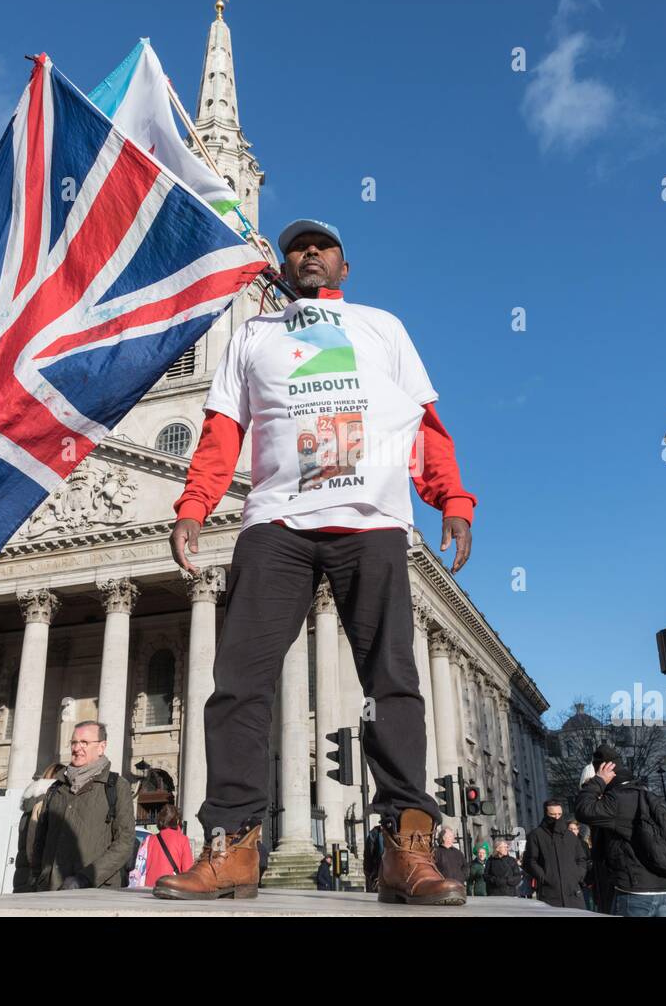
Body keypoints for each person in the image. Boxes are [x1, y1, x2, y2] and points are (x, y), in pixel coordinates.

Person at [155, 218, 476, 907]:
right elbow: (222, 430)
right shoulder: (252, 336)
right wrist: (194, 504)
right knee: (238, 681)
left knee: (392, 680)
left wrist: (451, 496)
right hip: (276, 520)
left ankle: (406, 846)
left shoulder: (381, 327)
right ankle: (233, 846)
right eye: (299, 246)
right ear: (286, 262)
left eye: (322, 247)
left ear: (343, 266)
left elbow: (423, 423)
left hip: (371, 518)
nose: (309, 254)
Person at [32, 721, 136, 891]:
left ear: (101, 747)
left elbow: (125, 842)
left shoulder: (116, 786)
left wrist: (86, 878)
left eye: (84, 743)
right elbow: (40, 841)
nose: (77, 748)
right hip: (51, 891)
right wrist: (38, 877)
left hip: (96, 892)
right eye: (74, 742)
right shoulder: (56, 787)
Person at [574, 755, 666, 916]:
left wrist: (597, 782)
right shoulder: (648, 796)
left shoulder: (615, 802)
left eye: (588, 785)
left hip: (635, 888)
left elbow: (583, 809)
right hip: (664, 886)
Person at [129, 770, 193, 889]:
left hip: (149, 888)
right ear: (177, 821)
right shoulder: (182, 840)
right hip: (171, 888)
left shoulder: (150, 839)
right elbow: (187, 871)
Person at [522, 800, 588, 909]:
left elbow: (581, 859)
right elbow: (530, 861)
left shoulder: (570, 836)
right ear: (546, 814)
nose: (556, 818)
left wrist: (577, 875)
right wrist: (544, 877)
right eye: (552, 814)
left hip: (573, 892)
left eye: (559, 814)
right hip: (549, 893)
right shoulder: (536, 835)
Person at [14, 762, 65, 893]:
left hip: (24, 873)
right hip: (35, 876)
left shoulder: (30, 802)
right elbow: (33, 844)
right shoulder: (45, 801)